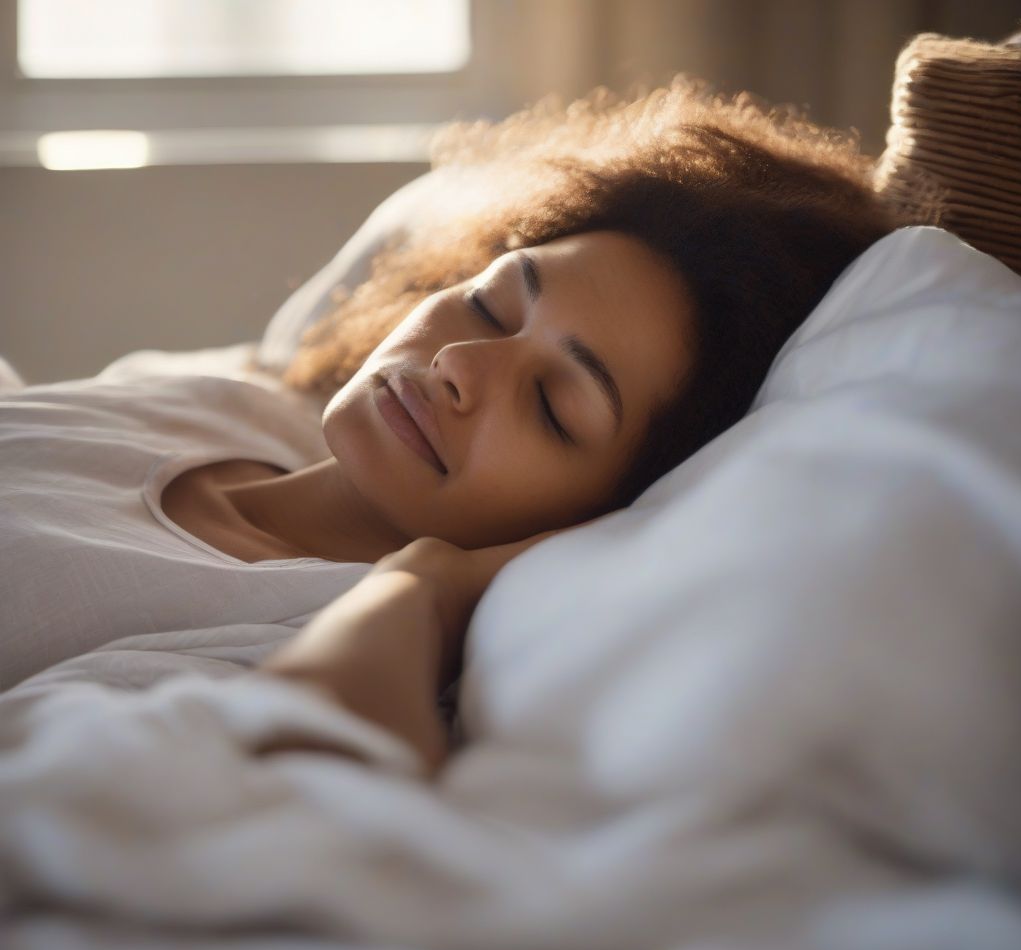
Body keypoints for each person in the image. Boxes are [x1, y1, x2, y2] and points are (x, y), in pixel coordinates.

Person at [0, 77, 902, 777]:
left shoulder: (284, 631)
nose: (461, 366)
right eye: (489, 303)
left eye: (552, 405)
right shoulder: (235, 397)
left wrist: (437, 583)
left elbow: (287, 765)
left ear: (605, 513)